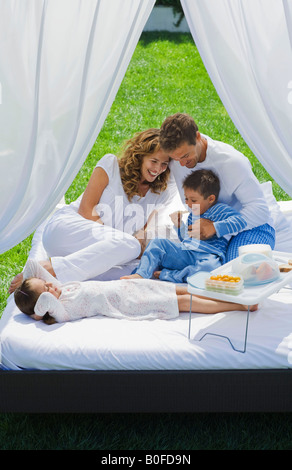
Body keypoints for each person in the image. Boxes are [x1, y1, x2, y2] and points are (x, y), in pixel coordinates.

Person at [37, 128, 177, 283]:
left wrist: (119, 248)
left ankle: (54, 274)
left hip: (94, 254)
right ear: (140, 156)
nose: (157, 169)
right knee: (131, 246)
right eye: (154, 161)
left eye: (164, 164)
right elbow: (86, 210)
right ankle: (50, 269)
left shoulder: (160, 194)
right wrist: (116, 244)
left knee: (138, 270)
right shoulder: (110, 165)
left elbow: (142, 237)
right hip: (67, 231)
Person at [159, 113, 275, 261]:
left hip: (251, 226)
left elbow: (260, 211)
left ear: (198, 137)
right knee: (194, 268)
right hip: (209, 231)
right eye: (176, 158)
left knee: (237, 269)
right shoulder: (176, 159)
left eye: (185, 156)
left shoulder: (231, 162)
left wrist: (216, 227)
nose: (181, 164)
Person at [11, 259, 257, 325]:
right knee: (185, 301)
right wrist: (32, 308)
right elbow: (41, 301)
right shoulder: (60, 310)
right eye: (46, 288)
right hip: (129, 302)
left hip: (128, 287)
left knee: (184, 288)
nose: (51, 285)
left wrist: (23, 282)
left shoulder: (60, 291)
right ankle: (241, 305)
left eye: (47, 283)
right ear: (41, 310)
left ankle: (234, 291)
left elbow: (33, 266)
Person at [121, 169, 247, 283]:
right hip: (186, 252)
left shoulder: (221, 210)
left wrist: (215, 227)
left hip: (208, 256)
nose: (189, 204)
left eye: (193, 200)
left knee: (209, 270)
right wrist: (180, 226)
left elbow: (240, 222)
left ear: (210, 199)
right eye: (186, 199)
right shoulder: (193, 214)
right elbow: (186, 238)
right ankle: (141, 274)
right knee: (158, 243)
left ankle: (170, 274)